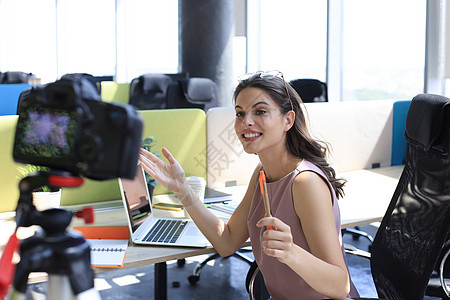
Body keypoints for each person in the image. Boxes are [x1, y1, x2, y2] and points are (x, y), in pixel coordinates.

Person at [139, 71, 360, 299]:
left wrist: (291, 252)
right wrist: (183, 190)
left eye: (260, 111)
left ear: (288, 120)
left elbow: (340, 286)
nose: (246, 122)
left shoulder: (305, 183)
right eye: (240, 113)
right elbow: (227, 241)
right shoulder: (262, 174)